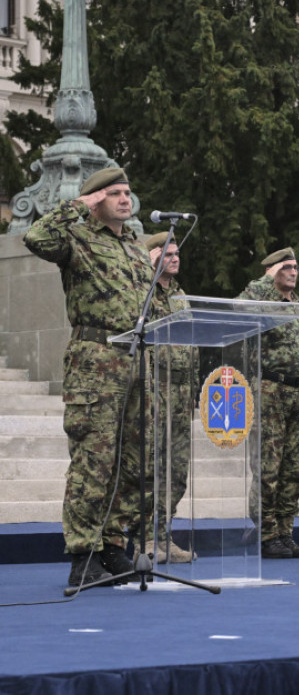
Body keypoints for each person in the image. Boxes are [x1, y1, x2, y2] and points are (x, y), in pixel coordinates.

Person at [23, 166, 153, 587]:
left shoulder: (135, 245)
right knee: (93, 463)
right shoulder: (76, 238)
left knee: (132, 463)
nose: (124, 199)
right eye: (114, 193)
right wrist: (77, 207)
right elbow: (35, 238)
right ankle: (84, 555)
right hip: (96, 360)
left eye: (127, 192)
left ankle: (114, 548)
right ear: (96, 200)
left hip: (137, 362)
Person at [239, 248, 299, 559]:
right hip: (271, 389)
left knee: (295, 469)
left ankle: (285, 530)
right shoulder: (259, 299)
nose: (293, 272)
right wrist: (265, 280)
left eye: (296, 267)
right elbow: (239, 309)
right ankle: (266, 532)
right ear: (272, 271)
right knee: (268, 466)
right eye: (286, 267)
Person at [144, 232, 196, 562]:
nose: (175, 258)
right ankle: (146, 540)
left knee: (176, 471)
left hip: (181, 392)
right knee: (150, 467)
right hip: (153, 390)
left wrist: (192, 391)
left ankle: (165, 537)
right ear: (151, 257)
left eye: (177, 254)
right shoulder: (141, 292)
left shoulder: (181, 296)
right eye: (167, 253)